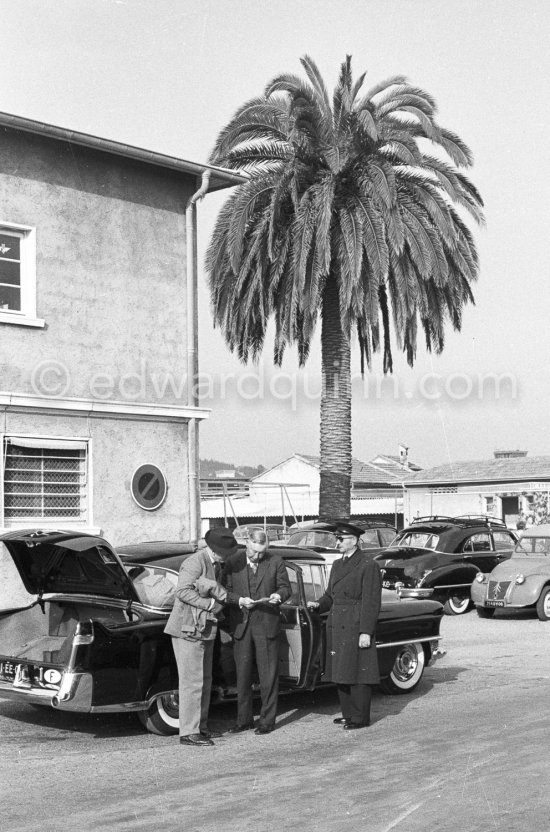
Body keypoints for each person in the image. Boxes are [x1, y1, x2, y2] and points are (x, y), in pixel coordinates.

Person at [164, 527, 237, 747]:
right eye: (224, 552)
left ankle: (200, 727)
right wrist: (211, 605)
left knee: (204, 680)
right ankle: (189, 732)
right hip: (188, 630)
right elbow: (183, 591)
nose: (226, 556)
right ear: (214, 550)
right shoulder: (195, 562)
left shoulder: (212, 563)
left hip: (201, 629)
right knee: (192, 682)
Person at [308, 521, 382, 730]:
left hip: (355, 622)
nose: (337, 542)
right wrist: (318, 604)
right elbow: (330, 595)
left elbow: (371, 601)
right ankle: (348, 713)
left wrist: (366, 631)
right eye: (336, 539)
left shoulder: (368, 565)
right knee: (342, 670)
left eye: (341, 539)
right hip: (337, 622)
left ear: (355, 541)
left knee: (358, 671)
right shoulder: (338, 564)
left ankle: (360, 717)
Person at [223, 528, 291, 735]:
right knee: (242, 676)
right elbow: (224, 591)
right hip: (241, 625)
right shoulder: (232, 562)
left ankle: (267, 721)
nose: (258, 556)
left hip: (267, 624)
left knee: (268, 676)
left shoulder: (276, 561)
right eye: (254, 552)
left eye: (262, 552)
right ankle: (243, 720)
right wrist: (239, 601)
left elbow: (286, 588)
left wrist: (278, 596)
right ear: (247, 544)